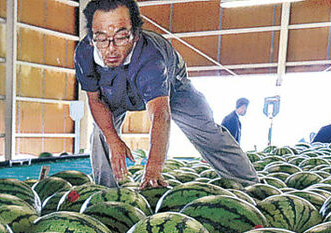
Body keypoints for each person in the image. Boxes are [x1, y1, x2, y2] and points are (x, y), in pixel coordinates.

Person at [75, 0, 257, 188]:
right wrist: (114, 141)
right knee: (102, 134)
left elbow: (161, 115)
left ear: (136, 34)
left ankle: (250, 185)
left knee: (207, 131)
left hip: (173, 87)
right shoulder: (84, 53)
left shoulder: (151, 58)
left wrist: (153, 169)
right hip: (112, 92)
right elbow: (94, 100)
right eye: (102, 38)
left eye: (121, 37)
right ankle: (108, 195)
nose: (111, 48)